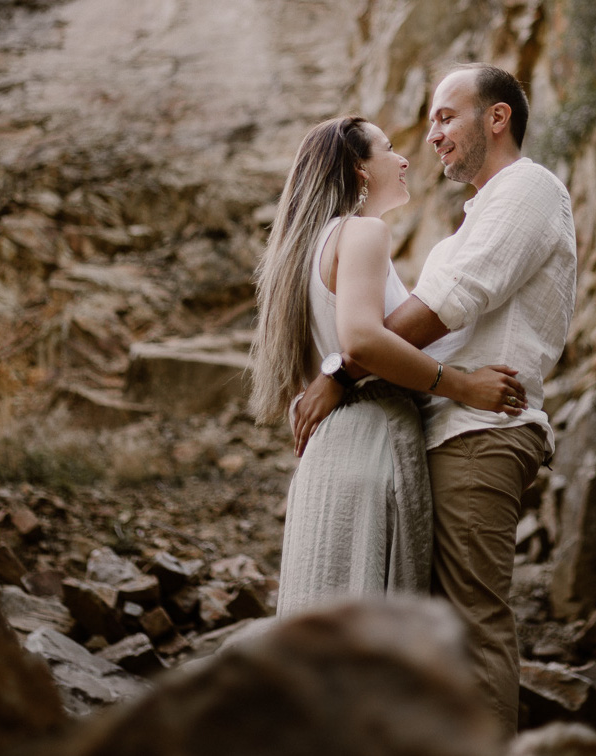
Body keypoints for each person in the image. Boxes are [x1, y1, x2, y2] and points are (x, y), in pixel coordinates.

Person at [292, 64, 577, 737]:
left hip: (480, 429)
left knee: (470, 630)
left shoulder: (527, 190)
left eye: (447, 117)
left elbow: (444, 309)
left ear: (497, 118)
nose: (433, 136)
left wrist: (342, 368)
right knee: (431, 634)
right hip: (442, 432)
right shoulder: (472, 221)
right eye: (430, 123)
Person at [247, 115, 528, 618]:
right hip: (374, 441)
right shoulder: (363, 233)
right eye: (388, 148)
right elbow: (361, 341)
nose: (403, 159)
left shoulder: (300, 253)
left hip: (326, 458)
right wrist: (465, 387)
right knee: (378, 641)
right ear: (358, 168)